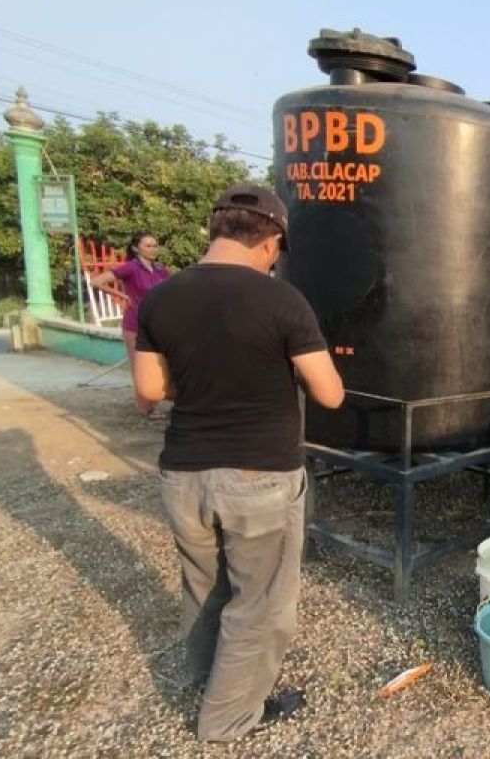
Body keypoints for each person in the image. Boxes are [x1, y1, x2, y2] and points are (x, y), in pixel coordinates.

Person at [133, 185, 345, 742]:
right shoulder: (283, 302)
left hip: (184, 472)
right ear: (271, 241)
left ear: (216, 230)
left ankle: (208, 678)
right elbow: (330, 395)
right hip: (259, 474)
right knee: (260, 602)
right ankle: (227, 718)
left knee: (205, 585)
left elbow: (148, 390)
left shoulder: (161, 297)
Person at [90, 231, 171, 417]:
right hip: (135, 323)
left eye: (155, 245)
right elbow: (97, 281)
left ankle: (156, 400)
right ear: (136, 248)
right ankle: (145, 407)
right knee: (139, 366)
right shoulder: (131, 268)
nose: (153, 249)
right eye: (148, 245)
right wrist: (121, 295)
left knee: (159, 364)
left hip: (157, 324)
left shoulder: (160, 269)